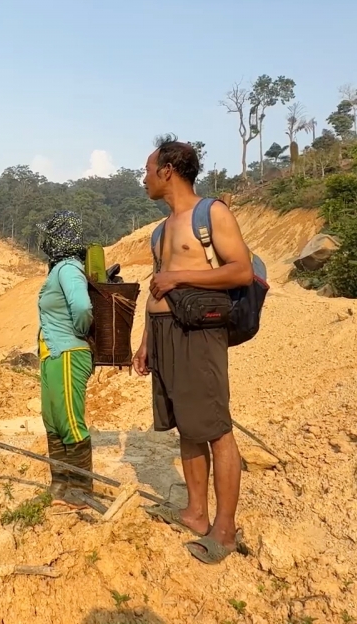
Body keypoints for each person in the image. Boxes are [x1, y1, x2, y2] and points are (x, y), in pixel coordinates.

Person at [132, 138, 254, 564]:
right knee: (187, 426)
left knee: (215, 428)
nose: (144, 178)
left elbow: (240, 269)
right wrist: (146, 343)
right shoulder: (161, 230)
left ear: (168, 171)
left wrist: (180, 277)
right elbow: (156, 286)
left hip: (198, 333)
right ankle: (195, 513)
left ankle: (225, 529)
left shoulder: (211, 213)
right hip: (164, 332)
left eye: (148, 169)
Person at [34, 210, 95, 509]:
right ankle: (60, 484)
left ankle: (82, 490)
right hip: (52, 355)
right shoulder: (57, 269)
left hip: (69, 353)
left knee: (70, 420)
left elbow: (82, 307)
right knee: (53, 421)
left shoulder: (69, 268)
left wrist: (80, 332)